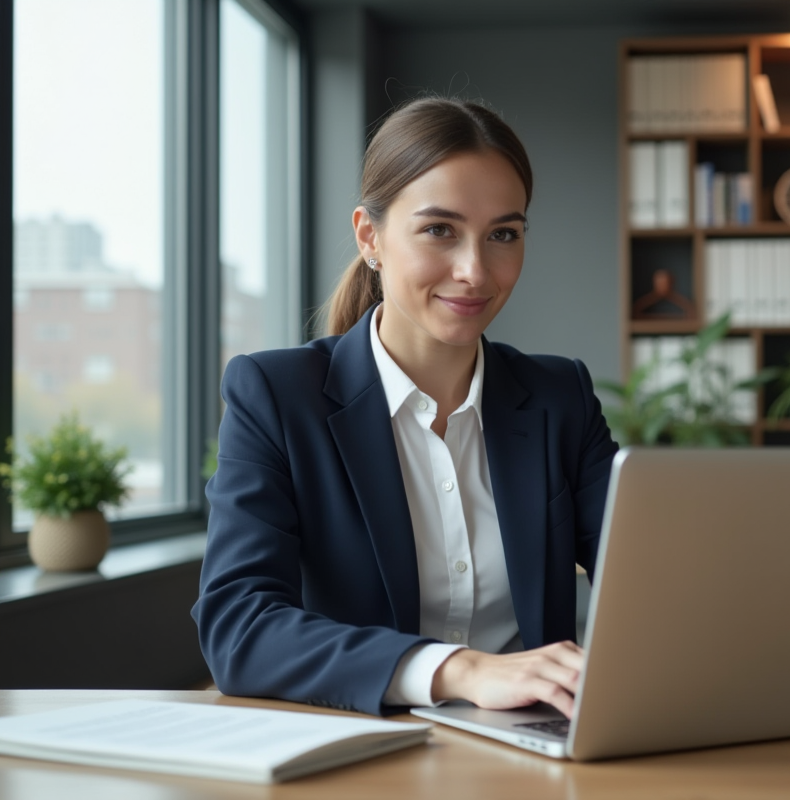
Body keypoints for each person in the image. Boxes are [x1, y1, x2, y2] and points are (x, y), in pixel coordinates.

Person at [192, 97, 619, 718]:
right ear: (371, 237)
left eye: (504, 234)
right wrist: (459, 669)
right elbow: (239, 629)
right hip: (356, 750)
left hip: (533, 752)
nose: (475, 270)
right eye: (439, 230)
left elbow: (650, 583)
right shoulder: (277, 394)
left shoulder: (559, 398)